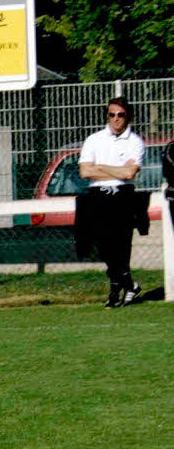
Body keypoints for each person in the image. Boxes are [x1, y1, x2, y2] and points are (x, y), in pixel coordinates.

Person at [77, 97, 146, 308]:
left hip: (123, 196)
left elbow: (129, 173)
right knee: (103, 245)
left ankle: (116, 287)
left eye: (120, 115)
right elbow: (84, 171)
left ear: (128, 116)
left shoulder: (135, 141)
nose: (116, 119)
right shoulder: (94, 139)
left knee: (121, 245)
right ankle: (129, 284)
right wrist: (116, 170)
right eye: (112, 115)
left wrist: (100, 167)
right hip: (98, 197)